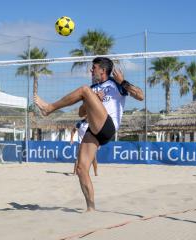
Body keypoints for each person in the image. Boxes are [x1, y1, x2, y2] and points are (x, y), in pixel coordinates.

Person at [34, 57, 144, 211]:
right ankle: (91, 208)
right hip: (93, 130)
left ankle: (49, 108)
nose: (91, 71)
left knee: (84, 89)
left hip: (108, 126)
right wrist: (91, 101)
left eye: (94, 68)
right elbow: (81, 112)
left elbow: (141, 96)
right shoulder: (93, 89)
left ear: (103, 70)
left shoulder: (116, 84)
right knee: (81, 168)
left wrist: (123, 82)